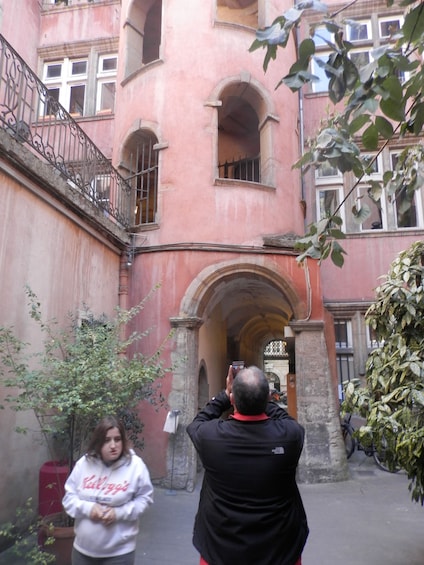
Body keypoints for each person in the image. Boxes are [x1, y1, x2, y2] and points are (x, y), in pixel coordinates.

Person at [187, 365, 309, 565]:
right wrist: (260, 399)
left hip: (221, 550)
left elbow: (198, 421)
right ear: (268, 397)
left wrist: (225, 396)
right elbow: (286, 419)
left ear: (234, 399)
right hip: (280, 549)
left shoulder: (211, 438)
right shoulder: (290, 436)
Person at [62, 415, 154, 565]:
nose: (113, 445)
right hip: (83, 552)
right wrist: (89, 509)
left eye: (117, 439)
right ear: (98, 442)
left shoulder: (135, 466)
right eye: (107, 440)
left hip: (119, 554)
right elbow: (69, 499)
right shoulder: (84, 464)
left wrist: (119, 513)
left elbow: (145, 499)